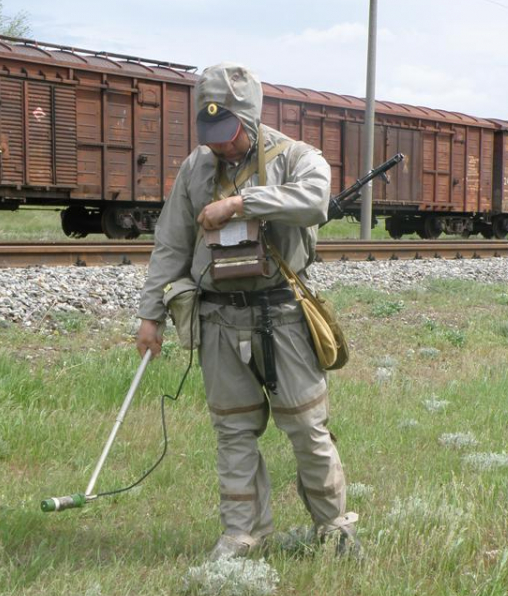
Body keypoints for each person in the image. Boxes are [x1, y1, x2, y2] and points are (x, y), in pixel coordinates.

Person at [135, 62, 358, 561]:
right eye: (210, 132)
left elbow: (315, 200)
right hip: (218, 321)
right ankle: (242, 534)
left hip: (281, 318)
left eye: (229, 132)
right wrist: (150, 317)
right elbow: (170, 244)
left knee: (306, 428)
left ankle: (334, 529)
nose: (220, 144)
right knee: (233, 432)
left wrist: (239, 205)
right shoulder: (195, 167)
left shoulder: (296, 157)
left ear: (251, 120)